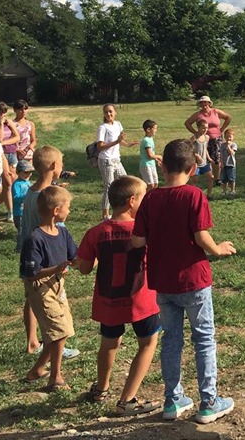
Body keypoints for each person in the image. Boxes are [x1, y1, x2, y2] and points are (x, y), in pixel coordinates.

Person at [132, 139, 236, 424]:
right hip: (193, 280)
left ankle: (172, 400)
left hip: (163, 282)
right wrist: (218, 249)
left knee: (171, 339)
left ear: (162, 165)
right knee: (203, 338)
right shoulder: (194, 196)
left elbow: (137, 240)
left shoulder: (150, 198)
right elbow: (201, 236)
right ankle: (208, 402)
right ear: (193, 169)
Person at [78, 176, 161, 416]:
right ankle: (128, 399)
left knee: (109, 343)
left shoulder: (95, 232)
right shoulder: (145, 232)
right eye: (143, 197)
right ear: (131, 201)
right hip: (141, 301)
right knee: (148, 343)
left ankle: (101, 388)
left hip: (109, 301)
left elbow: (84, 268)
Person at [20, 186, 78, 391]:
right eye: (67, 207)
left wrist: (94, 257)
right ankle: (55, 377)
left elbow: (74, 257)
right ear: (56, 210)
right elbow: (31, 272)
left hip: (57, 286)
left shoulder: (63, 232)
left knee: (61, 330)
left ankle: (37, 370)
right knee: (60, 331)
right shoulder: (34, 239)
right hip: (40, 288)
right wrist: (57, 268)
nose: (69, 211)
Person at [96, 104, 137, 221]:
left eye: (110, 111)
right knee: (109, 186)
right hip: (106, 160)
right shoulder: (102, 128)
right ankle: (105, 214)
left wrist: (128, 144)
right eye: (106, 112)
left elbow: (120, 141)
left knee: (126, 182)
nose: (108, 114)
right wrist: (116, 141)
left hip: (116, 160)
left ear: (115, 112)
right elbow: (100, 146)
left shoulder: (118, 124)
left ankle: (124, 208)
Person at [183, 96, 231, 186]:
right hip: (203, 139)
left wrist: (222, 129)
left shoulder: (215, 111)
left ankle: (217, 178)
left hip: (216, 138)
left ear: (209, 103)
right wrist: (195, 133)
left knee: (216, 159)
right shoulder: (198, 114)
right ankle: (198, 177)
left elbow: (228, 117)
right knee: (201, 158)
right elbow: (187, 123)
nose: (204, 104)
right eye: (201, 103)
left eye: (205, 102)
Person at [0, 101, 21, 223]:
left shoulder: (9, 123)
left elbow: (17, 137)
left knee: (10, 184)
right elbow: (0, 137)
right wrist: (0, 124)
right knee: (7, 184)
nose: (2, 114)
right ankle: (10, 212)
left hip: (11, 154)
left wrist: (3, 144)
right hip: (0, 156)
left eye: (4, 112)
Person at [192, 120, 215, 198]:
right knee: (194, 180)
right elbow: (187, 149)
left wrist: (209, 158)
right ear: (198, 128)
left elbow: (205, 149)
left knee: (211, 177)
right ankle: (193, 196)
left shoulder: (207, 137)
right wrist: (196, 155)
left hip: (204, 163)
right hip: (196, 164)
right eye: (203, 128)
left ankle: (209, 195)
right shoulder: (194, 138)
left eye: (207, 128)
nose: (205, 130)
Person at [138, 120, 163, 191]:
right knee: (150, 185)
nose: (156, 130)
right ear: (148, 130)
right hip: (146, 165)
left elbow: (152, 153)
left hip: (151, 165)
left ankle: (152, 199)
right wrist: (159, 156)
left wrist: (157, 160)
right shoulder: (146, 141)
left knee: (155, 183)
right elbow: (150, 155)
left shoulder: (150, 139)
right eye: (154, 128)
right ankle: (145, 199)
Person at [11, 160, 33, 233]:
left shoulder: (27, 182)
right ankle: (21, 241)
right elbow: (16, 198)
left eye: (30, 172)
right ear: (18, 172)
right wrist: (27, 195)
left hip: (27, 211)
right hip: (19, 212)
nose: (28, 174)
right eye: (26, 172)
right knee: (22, 230)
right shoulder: (17, 184)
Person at [219, 128, 238, 197]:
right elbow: (221, 154)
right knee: (224, 179)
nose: (228, 138)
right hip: (224, 164)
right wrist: (221, 162)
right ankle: (224, 191)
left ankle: (233, 190)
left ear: (233, 137)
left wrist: (228, 146)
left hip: (231, 164)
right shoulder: (222, 145)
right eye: (227, 137)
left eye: (230, 137)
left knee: (232, 178)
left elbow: (231, 153)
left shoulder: (234, 145)